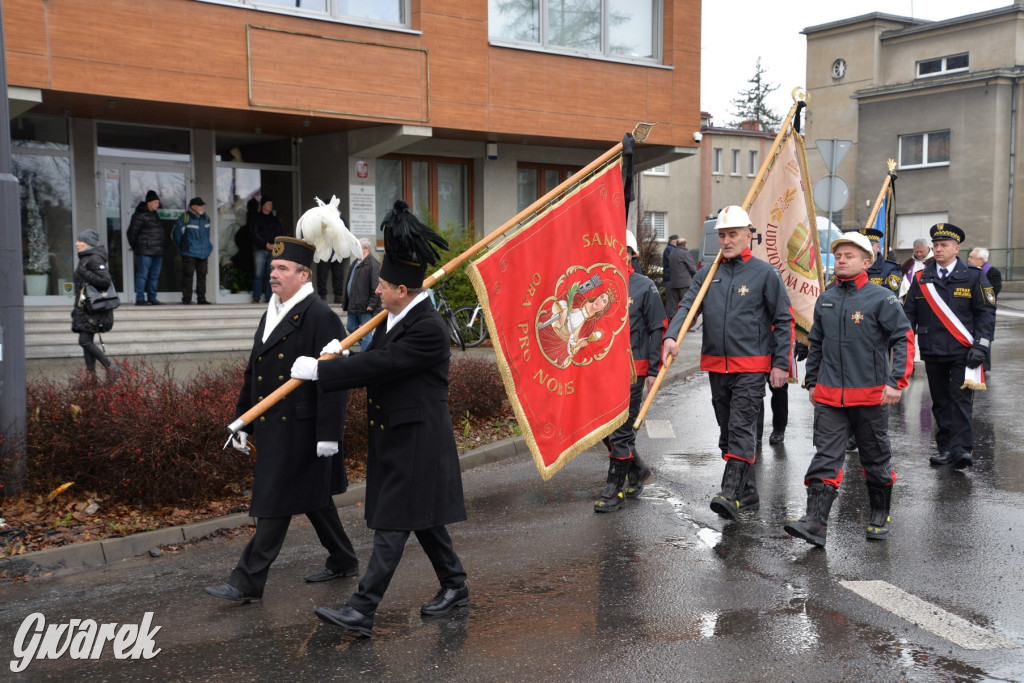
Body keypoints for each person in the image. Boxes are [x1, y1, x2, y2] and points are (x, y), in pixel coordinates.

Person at [293, 200, 467, 638]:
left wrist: (323, 371)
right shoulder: (395, 319)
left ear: (403, 292)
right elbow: (376, 359)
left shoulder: (428, 328)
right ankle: (456, 585)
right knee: (423, 519)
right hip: (398, 436)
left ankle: (361, 608)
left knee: (394, 522)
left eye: (385, 285)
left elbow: (383, 366)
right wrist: (344, 354)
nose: (377, 291)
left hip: (418, 440)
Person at [204, 236, 358, 603]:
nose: (273, 274)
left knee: (274, 501)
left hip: (302, 429)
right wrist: (243, 420)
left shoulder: (321, 317)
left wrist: (329, 435)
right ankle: (344, 558)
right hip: (273, 423)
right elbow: (253, 372)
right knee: (313, 498)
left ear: (304, 275)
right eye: (273, 268)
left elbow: (336, 380)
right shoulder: (271, 310)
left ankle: (246, 582)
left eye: (282, 269)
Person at [661, 205, 793, 521]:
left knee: (741, 426)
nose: (727, 240)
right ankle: (748, 493)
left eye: (733, 234)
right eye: (722, 235)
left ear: (749, 235)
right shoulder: (708, 274)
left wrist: (780, 363)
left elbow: (783, 319)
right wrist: (671, 336)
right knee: (726, 433)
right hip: (717, 365)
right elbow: (688, 306)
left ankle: (730, 493)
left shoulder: (765, 274)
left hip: (751, 365)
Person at [783, 231, 913, 547]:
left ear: (866, 262)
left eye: (849, 256)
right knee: (826, 456)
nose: (841, 260)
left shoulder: (881, 298)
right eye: (838, 255)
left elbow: (903, 338)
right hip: (829, 395)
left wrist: (896, 381)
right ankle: (815, 523)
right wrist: (811, 381)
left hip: (869, 395)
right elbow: (817, 343)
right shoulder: (825, 298)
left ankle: (879, 515)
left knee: (875, 456)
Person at [903, 223, 996, 469]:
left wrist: (981, 346)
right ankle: (944, 448)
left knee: (961, 399)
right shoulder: (922, 278)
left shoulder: (974, 276)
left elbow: (986, 314)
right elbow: (908, 315)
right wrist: (901, 344)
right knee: (940, 401)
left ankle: (962, 449)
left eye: (943, 245)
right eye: (935, 245)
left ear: (956, 248)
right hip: (932, 349)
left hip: (963, 351)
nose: (938, 249)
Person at [594, 230, 666, 512]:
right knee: (603, 430)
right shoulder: (597, 285)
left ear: (630, 253)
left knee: (621, 432)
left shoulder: (644, 286)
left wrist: (653, 369)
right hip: (601, 372)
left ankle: (615, 491)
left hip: (633, 371)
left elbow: (657, 327)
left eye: (621, 249)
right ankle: (637, 470)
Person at [72, 230, 117, 380]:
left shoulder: (94, 259)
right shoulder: (85, 258)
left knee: (84, 341)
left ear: (88, 243)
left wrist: (85, 273)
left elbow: (105, 281)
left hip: (93, 310)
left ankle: (110, 367)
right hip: (85, 308)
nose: (77, 243)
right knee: (87, 342)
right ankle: (91, 378)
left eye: (80, 241)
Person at [537, 286, 615, 369]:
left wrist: (578, 344)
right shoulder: (580, 298)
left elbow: (573, 347)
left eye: (604, 301)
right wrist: (564, 310)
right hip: (551, 325)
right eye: (601, 297)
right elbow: (564, 297)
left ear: (603, 309)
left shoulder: (591, 325)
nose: (599, 300)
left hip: (559, 342)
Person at [126, 190, 166, 306]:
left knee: (154, 276)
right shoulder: (139, 215)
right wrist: (137, 247)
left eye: (158, 202)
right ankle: (140, 299)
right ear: (149, 202)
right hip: (145, 251)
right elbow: (131, 233)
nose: (158, 205)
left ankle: (152, 298)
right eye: (156, 202)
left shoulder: (155, 215)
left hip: (158, 252)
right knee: (142, 275)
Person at [172, 197, 213, 305]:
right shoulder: (185, 217)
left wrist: (209, 247)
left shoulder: (206, 218)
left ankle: (201, 299)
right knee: (188, 276)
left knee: (202, 277)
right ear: (193, 207)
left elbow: (207, 236)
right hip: (189, 253)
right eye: (200, 205)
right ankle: (187, 299)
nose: (202, 207)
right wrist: (183, 247)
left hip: (203, 254)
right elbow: (176, 234)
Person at [345, 238, 382, 352]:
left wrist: (372, 304)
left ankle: (365, 355)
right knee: (351, 327)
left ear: (365, 248)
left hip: (365, 306)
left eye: (357, 247)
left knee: (366, 334)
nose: (355, 250)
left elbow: (376, 285)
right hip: (353, 305)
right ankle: (369, 347)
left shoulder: (373, 264)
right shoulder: (355, 263)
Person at [250, 197, 283, 304]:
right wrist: (265, 244)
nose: (270, 206)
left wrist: (275, 245)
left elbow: (279, 233)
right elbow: (254, 233)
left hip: (273, 250)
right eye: (268, 204)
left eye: (271, 204)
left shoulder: (274, 219)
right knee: (258, 274)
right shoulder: (256, 218)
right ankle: (256, 297)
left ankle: (270, 297)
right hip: (260, 250)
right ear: (263, 205)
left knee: (271, 274)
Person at [860, 227, 903, 294]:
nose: (866, 248)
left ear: (878, 247)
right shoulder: (850, 267)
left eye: (870, 245)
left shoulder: (891, 269)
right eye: (862, 245)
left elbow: (889, 295)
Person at [665, 235, 697, 315]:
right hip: (684, 284)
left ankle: (674, 324)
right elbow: (693, 269)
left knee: (674, 307)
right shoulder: (685, 253)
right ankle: (685, 325)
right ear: (685, 244)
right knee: (685, 306)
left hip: (674, 284)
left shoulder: (672, 253)